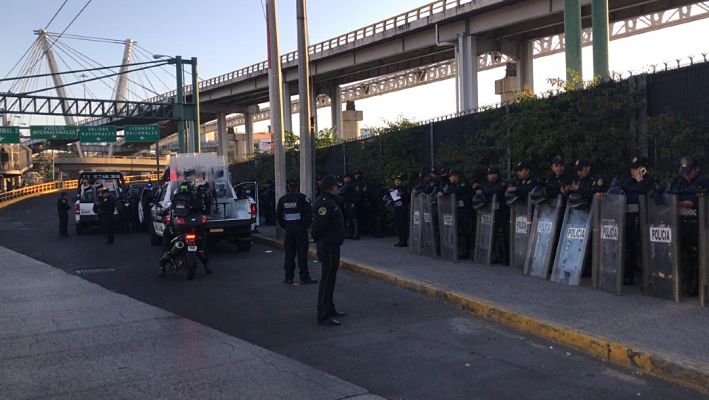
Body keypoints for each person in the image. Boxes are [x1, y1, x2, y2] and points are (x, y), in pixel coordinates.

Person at [311, 175, 347, 326]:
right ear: (331, 187)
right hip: (328, 247)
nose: (338, 188)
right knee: (326, 280)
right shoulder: (324, 203)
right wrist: (321, 241)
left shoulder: (331, 201)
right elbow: (318, 227)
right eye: (336, 186)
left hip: (333, 245)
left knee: (331, 279)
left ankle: (329, 308)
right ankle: (323, 314)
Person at [668, 156, 703, 296]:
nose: (685, 175)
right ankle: (680, 284)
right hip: (680, 224)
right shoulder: (678, 181)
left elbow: (701, 201)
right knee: (680, 255)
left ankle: (695, 287)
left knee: (696, 257)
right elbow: (669, 194)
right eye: (684, 172)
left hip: (697, 225)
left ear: (697, 169)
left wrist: (690, 203)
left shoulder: (703, 182)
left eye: (688, 172)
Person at [621, 156, 657, 285]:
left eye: (636, 168)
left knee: (644, 247)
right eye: (632, 168)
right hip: (630, 217)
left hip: (644, 218)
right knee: (629, 246)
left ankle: (647, 277)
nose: (633, 171)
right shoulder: (627, 181)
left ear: (643, 169)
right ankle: (628, 275)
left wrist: (640, 181)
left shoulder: (649, 181)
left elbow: (650, 197)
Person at [276, 181, 317, 285]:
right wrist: (305, 226)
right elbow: (309, 214)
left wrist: (285, 225)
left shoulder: (283, 199)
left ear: (288, 187)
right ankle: (304, 277)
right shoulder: (303, 198)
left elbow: (278, 216)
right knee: (302, 255)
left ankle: (288, 277)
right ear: (297, 187)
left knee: (289, 254)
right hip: (300, 230)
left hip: (289, 230)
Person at [438, 169, 473, 259]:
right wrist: (442, 191)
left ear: (456, 176)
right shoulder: (451, 185)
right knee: (457, 231)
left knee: (466, 231)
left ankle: (469, 252)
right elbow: (444, 189)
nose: (449, 178)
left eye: (451, 176)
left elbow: (457, 190)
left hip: (465, 211)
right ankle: (459, 251)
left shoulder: (463, 183)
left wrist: (445, 192)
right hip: (457, 211)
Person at [478, 166, 509, 264]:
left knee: (502, 234)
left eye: (491, 174)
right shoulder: (488, 185)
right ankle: (496, 255)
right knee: (493, 234)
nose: (489, 176)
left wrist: (483, 191)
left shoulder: (502, 184)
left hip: (501, 213)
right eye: (488, 174)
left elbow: (498, 190)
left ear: (496, 175)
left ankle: (505, 257)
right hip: (491, 213)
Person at [386, 175, 409, 247]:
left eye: (398, 180)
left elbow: (407, 197)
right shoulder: (393, 189)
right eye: (396, 180)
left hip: (402, 208)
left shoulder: (404, 189)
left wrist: (401, 195)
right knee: (398, 225)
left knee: (403, 224)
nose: (397, 181)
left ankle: (404, 241)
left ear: (401, 181)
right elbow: (391, 198)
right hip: (396, 208)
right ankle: (400, 240)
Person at [339, 175, 360, 240]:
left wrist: (354, 203)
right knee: (349, 219)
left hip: (351, 204)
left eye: (346, 178)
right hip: (347, 203)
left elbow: (356, 195)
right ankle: (350, 233)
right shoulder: (346, 185)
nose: (345, 179)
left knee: (354, 219)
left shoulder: (351, 185)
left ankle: (356, 233)